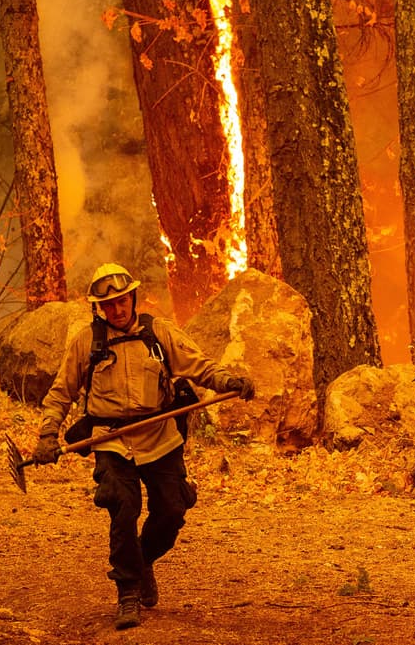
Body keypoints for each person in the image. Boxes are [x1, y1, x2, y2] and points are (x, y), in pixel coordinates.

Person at [31, 262, 256, 630]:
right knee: (123, 507)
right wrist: (47, 435)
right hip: (112, 439)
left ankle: (143, 557)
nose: (117, 310)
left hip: (159, 435)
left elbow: (200, 366)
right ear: (99, 309)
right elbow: (60, 393)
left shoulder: (159, 333)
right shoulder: (87, 343)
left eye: (122, 301)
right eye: (109, 305)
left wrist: (228, 381)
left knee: (172, 509)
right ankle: (128, 592)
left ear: (133, 298)